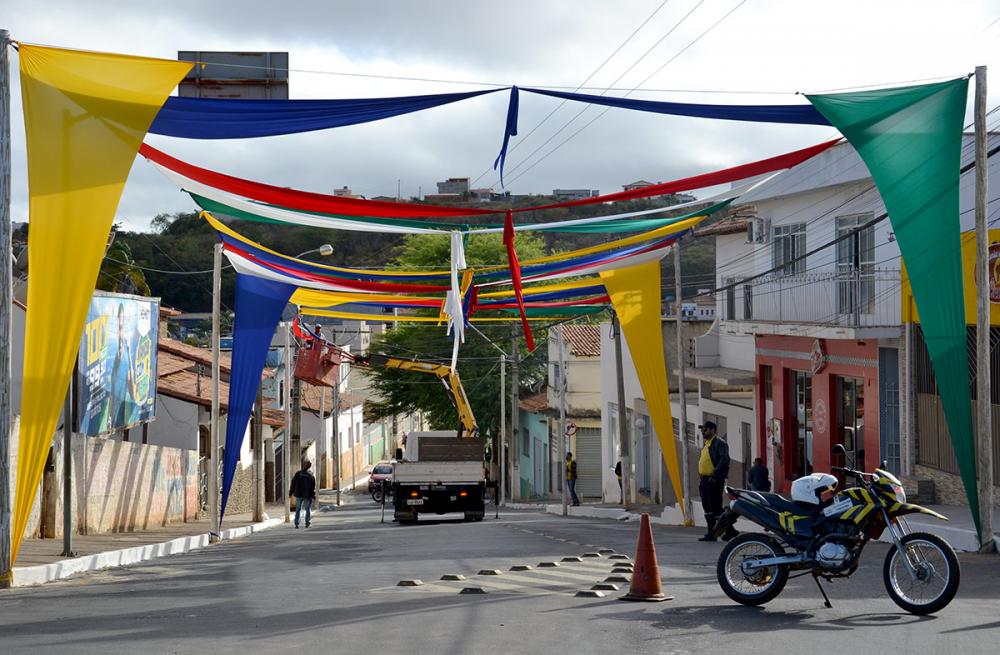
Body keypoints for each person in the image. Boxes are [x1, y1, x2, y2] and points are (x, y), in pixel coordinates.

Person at [697, 422, 737, 542]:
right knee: (708, 508)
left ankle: (723, 531)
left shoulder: (719, 443)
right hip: (705, 480)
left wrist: (715, 475)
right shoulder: (707, 444)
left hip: (713, 480)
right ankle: (718, 532)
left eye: (706, 430)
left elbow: (725, 459)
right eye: (702, 430)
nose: (703, 432)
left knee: (715, 508)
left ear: (713, 430)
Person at [290, 460, 317, 529]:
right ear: (309, 466)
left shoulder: (298, 474)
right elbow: (312, 488)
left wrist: (291, 492)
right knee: (307, 509)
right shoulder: (311, 476)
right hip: (307, 495)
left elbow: (293, 483)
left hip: (299, 494)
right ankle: (307, 523)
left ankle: (296, 523)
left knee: (298, 509)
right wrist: (313, 495)